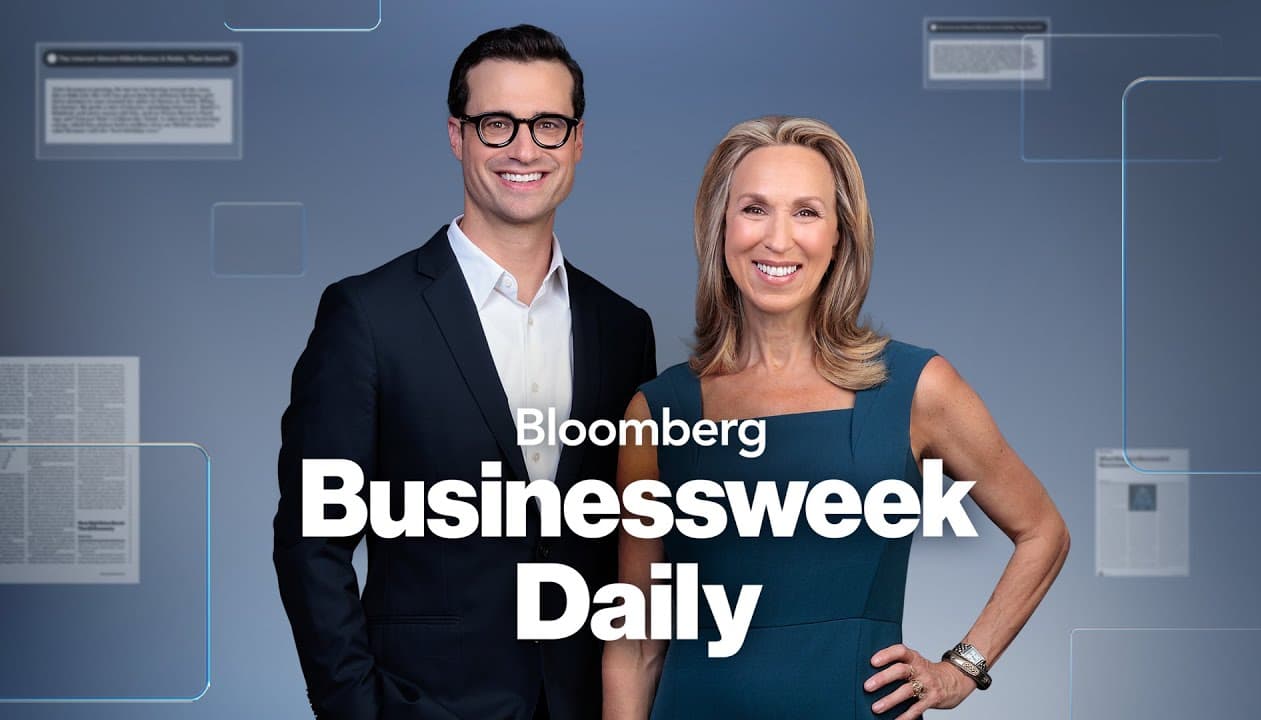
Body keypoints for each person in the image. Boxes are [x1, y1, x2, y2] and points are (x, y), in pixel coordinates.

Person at [601, 116, 1069, 720]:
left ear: (840, 238)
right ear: (719, 229)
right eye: (753, 209)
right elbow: (635, 644)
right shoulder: (656, 411)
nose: (777, 239)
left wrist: (963, 668)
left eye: (806, 212)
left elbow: (1042, 532)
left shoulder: (916, 388)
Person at [275, 25, 656, 720]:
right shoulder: (366, 316)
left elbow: (630, 546)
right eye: (496, 123)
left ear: (577, 141)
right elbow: (310, 543)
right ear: (457, 134)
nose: (523, 148)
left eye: (547, 125)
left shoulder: (622, 329)